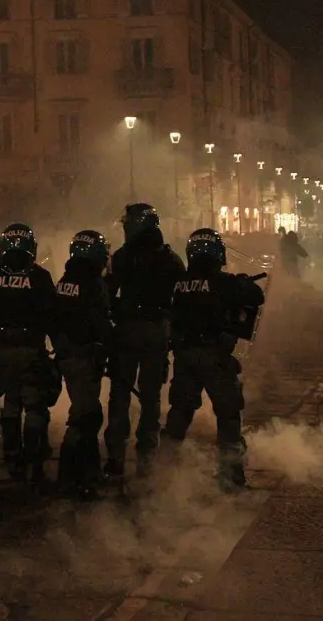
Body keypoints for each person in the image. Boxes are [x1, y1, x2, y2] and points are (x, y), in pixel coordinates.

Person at [163, 228, 265, 493]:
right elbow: (256, 295)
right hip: (214, 357)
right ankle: (230, 476)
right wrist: (241, 282)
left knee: (180, 413)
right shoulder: (224, 282)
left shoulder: (179, 283)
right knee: (228, 415)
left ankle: (162, 474)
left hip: (184, 356)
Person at [0, 225, 58, 483]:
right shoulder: (40, 277)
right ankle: (33, 458)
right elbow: (52, 316)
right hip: (31, 350)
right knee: (33, 405)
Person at [105, 204, 184, 484]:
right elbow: (181, 301)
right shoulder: (171, 259)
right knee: (151, 397)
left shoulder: (122, 258)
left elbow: (106, 295)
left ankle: (115, 457)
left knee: (121, 393)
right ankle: (146, 459)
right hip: (157, 332)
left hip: (127, 331)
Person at [53, 230, 113, 498]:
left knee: (86, 412)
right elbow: (99, 323)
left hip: (67, 355)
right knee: (85, 416)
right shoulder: (93, 284)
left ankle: (84, 474)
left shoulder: (65, 281)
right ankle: (74, 477)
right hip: (84, 356)